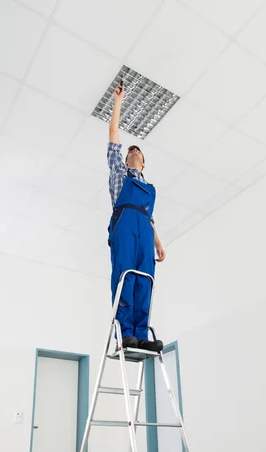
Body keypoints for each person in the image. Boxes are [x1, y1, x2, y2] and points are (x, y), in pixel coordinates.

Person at [107, 83, 166, 353]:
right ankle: (125, 332)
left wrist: (158, 244)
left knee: (145, 280)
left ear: (143, 163)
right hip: (125, 232)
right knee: (125, 278)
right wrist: (118, 102)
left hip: (144, 234)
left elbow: (150, 220)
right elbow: (114, 135)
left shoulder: (151, 190)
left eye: (137, 152)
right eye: (130, 151)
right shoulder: (120, 175)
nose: (133, 152)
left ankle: (141, 334)